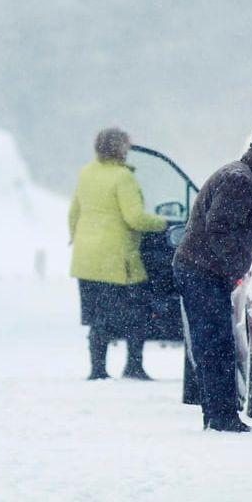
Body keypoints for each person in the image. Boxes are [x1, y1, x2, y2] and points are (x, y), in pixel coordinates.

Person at [173, 129, 252, 432]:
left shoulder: (242, 178)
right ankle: (221, 418)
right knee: (216, 345)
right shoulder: (239, 181)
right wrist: (232, 268)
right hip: (203, 273)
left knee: (214, 344)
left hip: (203, 271)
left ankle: (218, 414)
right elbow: (219, 227)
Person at [69, 127, 169, 380]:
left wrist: (76, 238)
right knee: (136, 315)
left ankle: (97, 369)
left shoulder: (86, 173)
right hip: (116, 258)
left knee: (97, 317)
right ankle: (133, 366)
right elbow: (134, 218)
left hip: (86, 259)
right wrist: (162, 223)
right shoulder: (122, 177)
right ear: (120, 148)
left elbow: (74, 213)